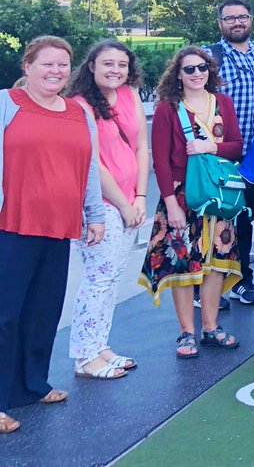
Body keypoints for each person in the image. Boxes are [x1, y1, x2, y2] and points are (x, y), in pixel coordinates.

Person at [0, 37, 105, 433]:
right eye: (47, 64)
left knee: (42, 312)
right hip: (10, 225)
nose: (56, 71)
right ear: (28, 66)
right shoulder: (6, 103)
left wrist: (94, 214)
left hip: (58, 226)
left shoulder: (78, 111)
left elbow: (90, 167)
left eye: (63, 65)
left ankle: (31, 385)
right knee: (4, 315)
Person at [138, 47, 244, 358]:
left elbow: (236, 147)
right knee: (182, 266)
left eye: (202, 67)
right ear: (178, 75)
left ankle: (210, 327)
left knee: (214, 265)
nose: (197, 73)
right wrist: (170, 204)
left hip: (216, 196)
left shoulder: (222, 102)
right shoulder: (167, 109)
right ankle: (187, 332)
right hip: (183, 197)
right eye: (189, 69)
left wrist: (208, 146)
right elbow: (160, 160)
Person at [65, 40, 149, 379]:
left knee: (112, 278)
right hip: (99, 205)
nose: (115, 70)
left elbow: (142, 146)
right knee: (97, 281)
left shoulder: (130, 95)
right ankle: (85, 357)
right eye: (107, 64)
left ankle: (100, 345)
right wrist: (125, 205)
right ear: (92, 67)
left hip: (131, 200)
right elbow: (93, 163)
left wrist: (141, 197)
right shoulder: (80, 106)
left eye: (122, 64)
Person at [210, 0, 254, 307]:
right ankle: (206, 286)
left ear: (251, 19)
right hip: (219, 154)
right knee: (215, 220)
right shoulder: (210, 57)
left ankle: (242, 279)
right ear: (221, 23)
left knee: (244, 219)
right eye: (229, 18)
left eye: (242, 17)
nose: (237, 22)